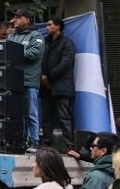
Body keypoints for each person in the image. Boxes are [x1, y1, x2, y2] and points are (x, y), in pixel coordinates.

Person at [7, 9, 45, 153]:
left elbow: (34, 54)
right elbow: (4, 52)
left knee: (31, 113)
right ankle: (19, 141)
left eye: (18, 17)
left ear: (27, 19)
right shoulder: (12, 36)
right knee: (15, 113)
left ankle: (34, 141)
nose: (15, 20)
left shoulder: (36, 36)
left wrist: (14, 53)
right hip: (13, 81)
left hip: (29, 81)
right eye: (14, 17)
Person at [41, 17, 75, 150]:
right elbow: (40, 61)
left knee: (64, 117)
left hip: (62, 86)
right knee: (46, 117)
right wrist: (42, 77)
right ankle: (47, 143)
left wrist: (48, 77)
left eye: (49, 25)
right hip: (45, 87)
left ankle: (70, 146)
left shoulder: (67, 43)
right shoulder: (45, 42)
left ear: (58, 27)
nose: (46, 27)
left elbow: (65, 64)